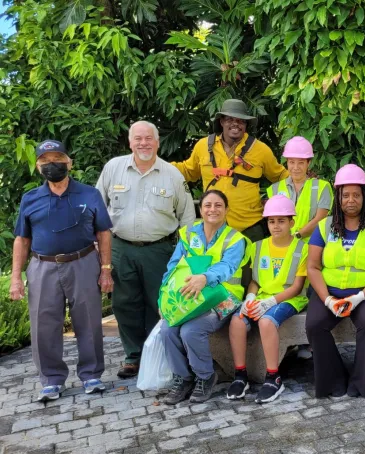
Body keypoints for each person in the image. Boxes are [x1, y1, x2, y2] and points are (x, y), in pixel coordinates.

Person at [10, 140, 113, 401]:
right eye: (45, 160)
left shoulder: (89, 194)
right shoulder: (30, 198)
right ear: (37, 166)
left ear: (69, 162)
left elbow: (103, 232)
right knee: (44, 324)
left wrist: (105, 269)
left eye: (57, 158)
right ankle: (52, 380)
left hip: (83, 262)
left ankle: (91, 375)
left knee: (89, 321)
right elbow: (22, 239)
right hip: (42, 266)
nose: (51, 164)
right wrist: (15, 278)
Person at [96, 121, 196, 379]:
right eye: (138, 138)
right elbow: (97, 210)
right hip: (120, 248)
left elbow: (187, 216)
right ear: (130, 142)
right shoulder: (113, 168)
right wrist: (99, 248)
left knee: (159, 303)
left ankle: (160, 354)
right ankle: (133, 357)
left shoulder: (172, 174)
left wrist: (187, 253)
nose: (143, 143)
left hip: (160, 250)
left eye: (149, 138)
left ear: (158, 142)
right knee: (124, 303)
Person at [306, 164, 365, 398]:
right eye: (345, 195)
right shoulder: (324, 226)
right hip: (330, 292)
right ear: (338, 197)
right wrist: (327, 301)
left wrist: (359, 297)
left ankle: (360, 384)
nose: (351, 200)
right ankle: (335, 380)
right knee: (315, 324)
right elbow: (313, 267)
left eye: (356, 195)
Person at [159, 190, 248, 405]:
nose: (212, 210)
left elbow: (228, 267)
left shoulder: (235, 239)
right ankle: (183, 378)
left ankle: (205, 377)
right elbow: (173, 266)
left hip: (226, 298)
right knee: (166, 328)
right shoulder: (188, 234)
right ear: (201, 209)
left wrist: (205, 278)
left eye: (218, 205)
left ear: (227, 210)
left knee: (192, 330)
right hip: (191, 297)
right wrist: (164, 296)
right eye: (208, 205)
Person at [226, 195, 308, 403]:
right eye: (271, 221)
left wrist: (270, 303)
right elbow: (254, 280)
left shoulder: (302, 248)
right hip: (261, 297)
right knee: (237, 321)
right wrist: (251, 297)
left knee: (267, 321)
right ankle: (240, 376)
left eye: (281, 221)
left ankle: (273, 377)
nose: (276, 225)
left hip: (289, 299)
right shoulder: (258, 246)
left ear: (292, 222)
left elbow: (297, 287)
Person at [173, 99, 288, 242]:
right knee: (214, 265)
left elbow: (281, 176)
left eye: (241, 121)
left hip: (249, 228)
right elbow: (187, 171)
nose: (235, 124)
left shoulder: (260, 149)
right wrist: (157, 166)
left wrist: (302, 179)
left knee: (249, 265)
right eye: (229, 119)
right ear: (221, 122)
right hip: (212, 227)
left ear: (246, 124)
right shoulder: (203, 146)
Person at [266, 136, 332, 241]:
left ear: (308, 163)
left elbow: (320, 219)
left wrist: (296, 236)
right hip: (283, 247)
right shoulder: (274, 189)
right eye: (292, 162)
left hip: (312, 247)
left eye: (301, 162)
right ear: (286, 162)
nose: (296, 167)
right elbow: (273, 222)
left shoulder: (322, 187)